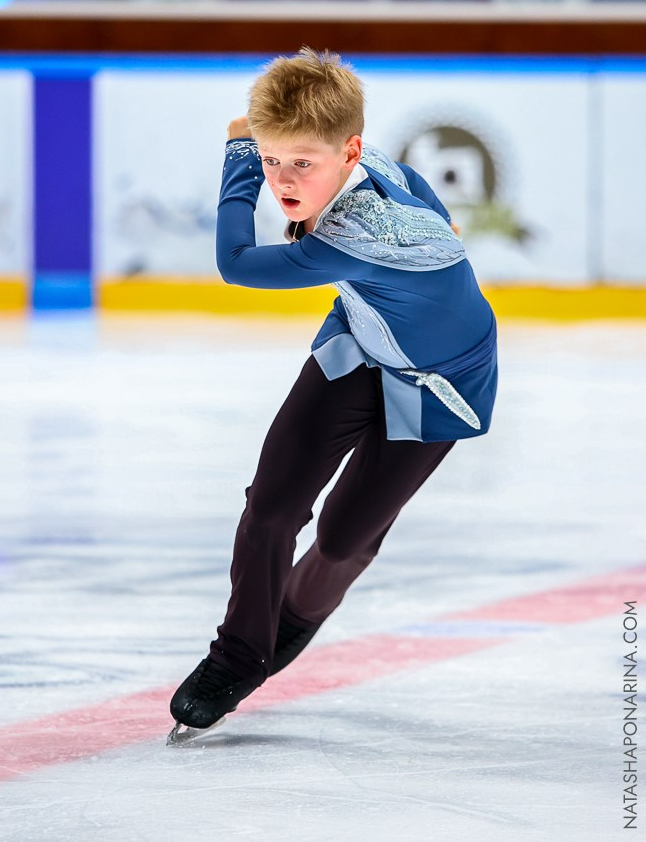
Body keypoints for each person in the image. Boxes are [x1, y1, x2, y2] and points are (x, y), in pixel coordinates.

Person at [169, 47, 498, 733]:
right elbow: (412, 178)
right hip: (358, 343)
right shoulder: (372, 161)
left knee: (345, 540)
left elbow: (235, 264)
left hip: (443, 382)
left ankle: (292, 616)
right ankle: (235, 657)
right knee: (270, 508)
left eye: (302, 164)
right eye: (269, 160)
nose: (283, 181)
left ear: (347, 152)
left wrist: (236, 162)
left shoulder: (360, 234)